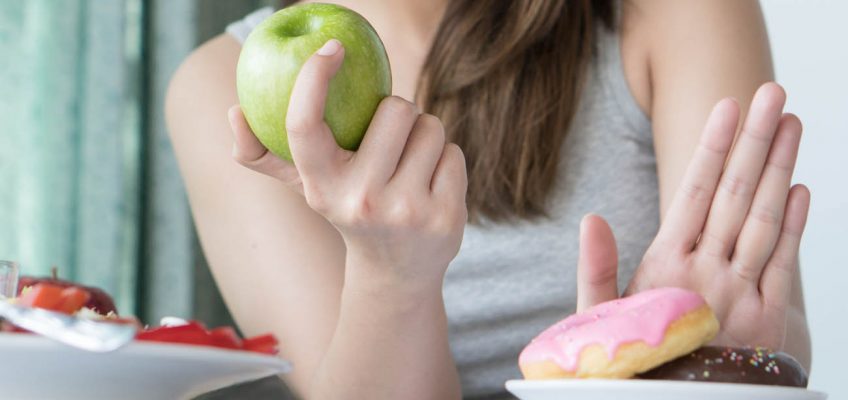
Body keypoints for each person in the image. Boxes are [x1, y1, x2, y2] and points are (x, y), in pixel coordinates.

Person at [165, 1, 811, 398]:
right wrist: (393, 276)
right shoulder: (220, 87)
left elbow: (775, 341)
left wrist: (703, 365)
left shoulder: (670, 13)